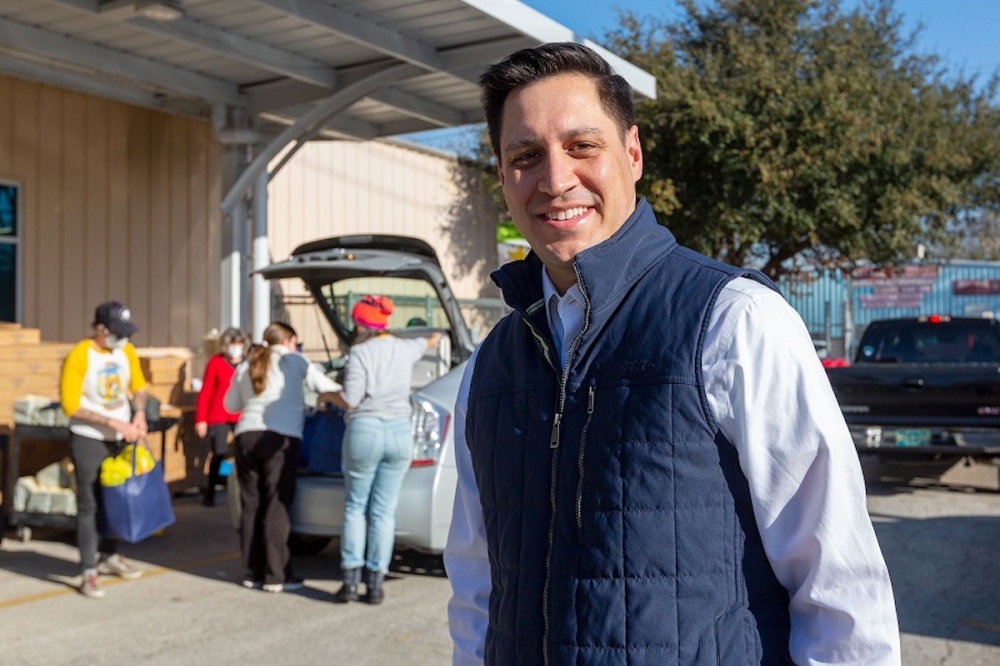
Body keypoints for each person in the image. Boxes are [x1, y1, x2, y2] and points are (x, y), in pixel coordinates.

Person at [444, 42, 901, 666]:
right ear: (502, 175)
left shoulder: (736, 321)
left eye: (582, 146)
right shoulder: (491, 366)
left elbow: (837, 581)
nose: (555, 180)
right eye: (526, 156)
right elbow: (477, 582)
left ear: (632, 153)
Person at [317, 295, 442, 605]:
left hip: (366, 431)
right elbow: (433, 339)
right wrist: (435, 337)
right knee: (384, 511)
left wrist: (327, 395)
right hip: (399, 433)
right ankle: (375, 585)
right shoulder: (405, 347)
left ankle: (350, 582)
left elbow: (351, 399)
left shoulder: (359, 353)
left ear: (361, 325)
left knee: (355, 506)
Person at [224, 321, 339, 593]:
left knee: (251, 505)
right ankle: (276, 575)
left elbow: (230, 404)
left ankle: (252, 572)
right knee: (276, 505)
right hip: (280, 438)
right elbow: (326, 385)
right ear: (288, 340)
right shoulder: (294, 360)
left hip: (246, 436)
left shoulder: (247, 364)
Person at [61, 301, 148, 599]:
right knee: (89, 503)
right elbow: (70, 404)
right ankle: (88, 569)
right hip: (88, 437)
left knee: (115, 497)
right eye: (117, 333)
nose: (123, 339)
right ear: (101, 329)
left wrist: (139, 413)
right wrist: (110, 421)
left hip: (120, 437)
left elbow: (139, 385)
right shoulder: (80, 354)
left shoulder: (126, 351)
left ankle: (111, 553)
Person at [194, 327, 249, 506]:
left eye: (239, 344)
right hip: (218, 415)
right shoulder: (215, 362)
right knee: (219, 453)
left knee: (243, 454)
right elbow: (205, 392)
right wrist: (201, 419)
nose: (236, 347)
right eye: (232, 344)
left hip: (242, 415)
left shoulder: (248, 363)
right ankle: (211, 491)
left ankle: (241, 489)